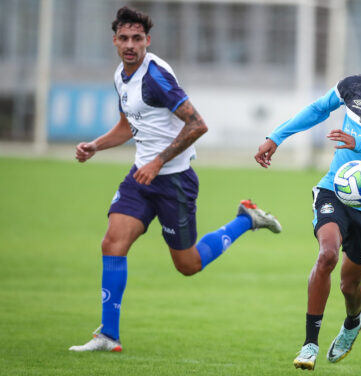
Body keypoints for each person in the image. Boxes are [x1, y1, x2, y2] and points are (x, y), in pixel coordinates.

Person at [69, 6, 281, 352]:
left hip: (175, 182)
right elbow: (127, 126)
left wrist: (158, 162)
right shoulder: (120, 76)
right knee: (112, 243)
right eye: (124, 38)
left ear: (147, 41)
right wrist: (96, 145)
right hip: (141, 177)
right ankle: (108, 335)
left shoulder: (155, 78)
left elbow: (198, 124)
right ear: (114, 41)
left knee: (188, 265)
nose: (130, 44)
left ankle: (245, 220)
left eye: (137, 38)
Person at [255, 29, 361, 370]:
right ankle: (309, 345)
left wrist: (360, 143)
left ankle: (353, 321)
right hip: (335, 188)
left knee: (351, 286)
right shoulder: (354, 85)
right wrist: (275, 137)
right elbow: (318, 110)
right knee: (327, 255)